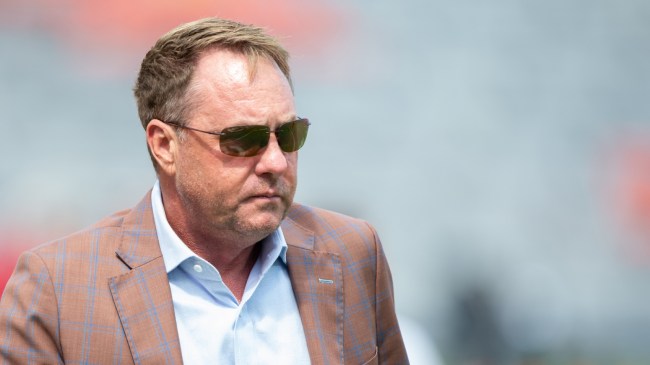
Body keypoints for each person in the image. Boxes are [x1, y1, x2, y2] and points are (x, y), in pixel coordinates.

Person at [0, 17, 408, 364]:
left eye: (288, 134)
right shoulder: (58, 288)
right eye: (242, 139)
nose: (275, 162)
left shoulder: (353, 254)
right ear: (164, 145)